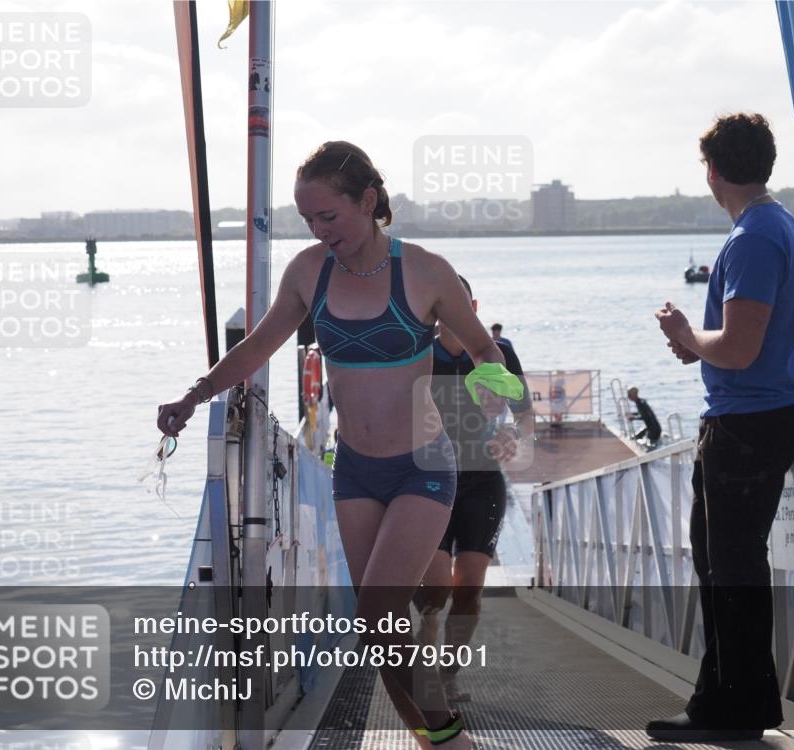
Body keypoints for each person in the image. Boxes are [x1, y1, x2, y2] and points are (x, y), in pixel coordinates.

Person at [157, 142, 518, 749]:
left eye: (329, 216)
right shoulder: (308, 273)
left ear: (368, 201)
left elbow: (487, 352)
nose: (320, 231)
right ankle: (439, 741)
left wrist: (492, 397)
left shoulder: (426, 271)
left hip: (423, 467)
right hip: (352, 469)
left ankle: (450, 741)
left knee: (378, 615)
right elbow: (255, 349)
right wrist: (195, 396)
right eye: (308, 221)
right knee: (376, 630)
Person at [650, 113, 794, 742]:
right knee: (721, 560)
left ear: (713, 171)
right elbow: (748, 341)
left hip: (750, 420)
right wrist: (699, 346)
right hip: (759, 412)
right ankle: (725, 701)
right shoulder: (777, 226)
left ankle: (734, 709)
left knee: (731, 564)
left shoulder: (752, 236)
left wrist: (687, 334)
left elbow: (741, 349)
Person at [415, 275, 534, 702]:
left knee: (468, 589)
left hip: (482, 481)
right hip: (429, 480)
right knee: (434, 590)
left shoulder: (498, 355)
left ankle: (446, 681)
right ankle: (425, 681)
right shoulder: (418, 354)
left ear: (473, 305)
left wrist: (514, 437)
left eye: (459, 302)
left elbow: (525, 416)